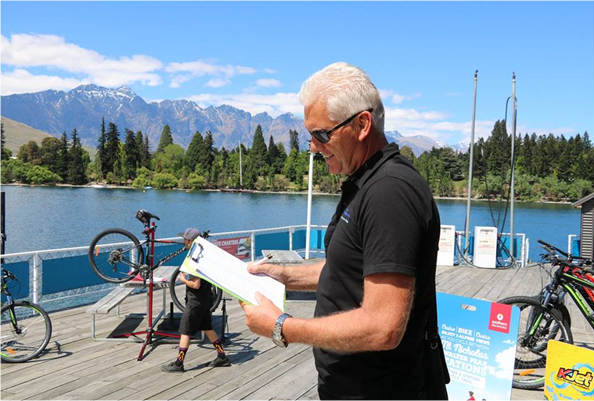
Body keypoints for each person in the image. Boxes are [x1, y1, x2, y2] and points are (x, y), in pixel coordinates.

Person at [241, 62, 441, 399]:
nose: (313, 147)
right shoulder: (365, 181)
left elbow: (383, 327)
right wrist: (286, 277)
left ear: (362, 124)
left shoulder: (389, 192)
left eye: (321, 134)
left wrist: (282, 327)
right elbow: (350, 268)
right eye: (309, 136)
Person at [161, 227, 230, 372]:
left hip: (195, 302)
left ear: (191, 241)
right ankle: (222, 356)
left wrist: (182, 279)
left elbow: (195, 284)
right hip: (206, 299)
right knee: (208, 329)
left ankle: (179, 363)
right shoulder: (204, 255)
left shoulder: (195, 259)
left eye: (185, 240)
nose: (183, 242)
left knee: (185, 331)